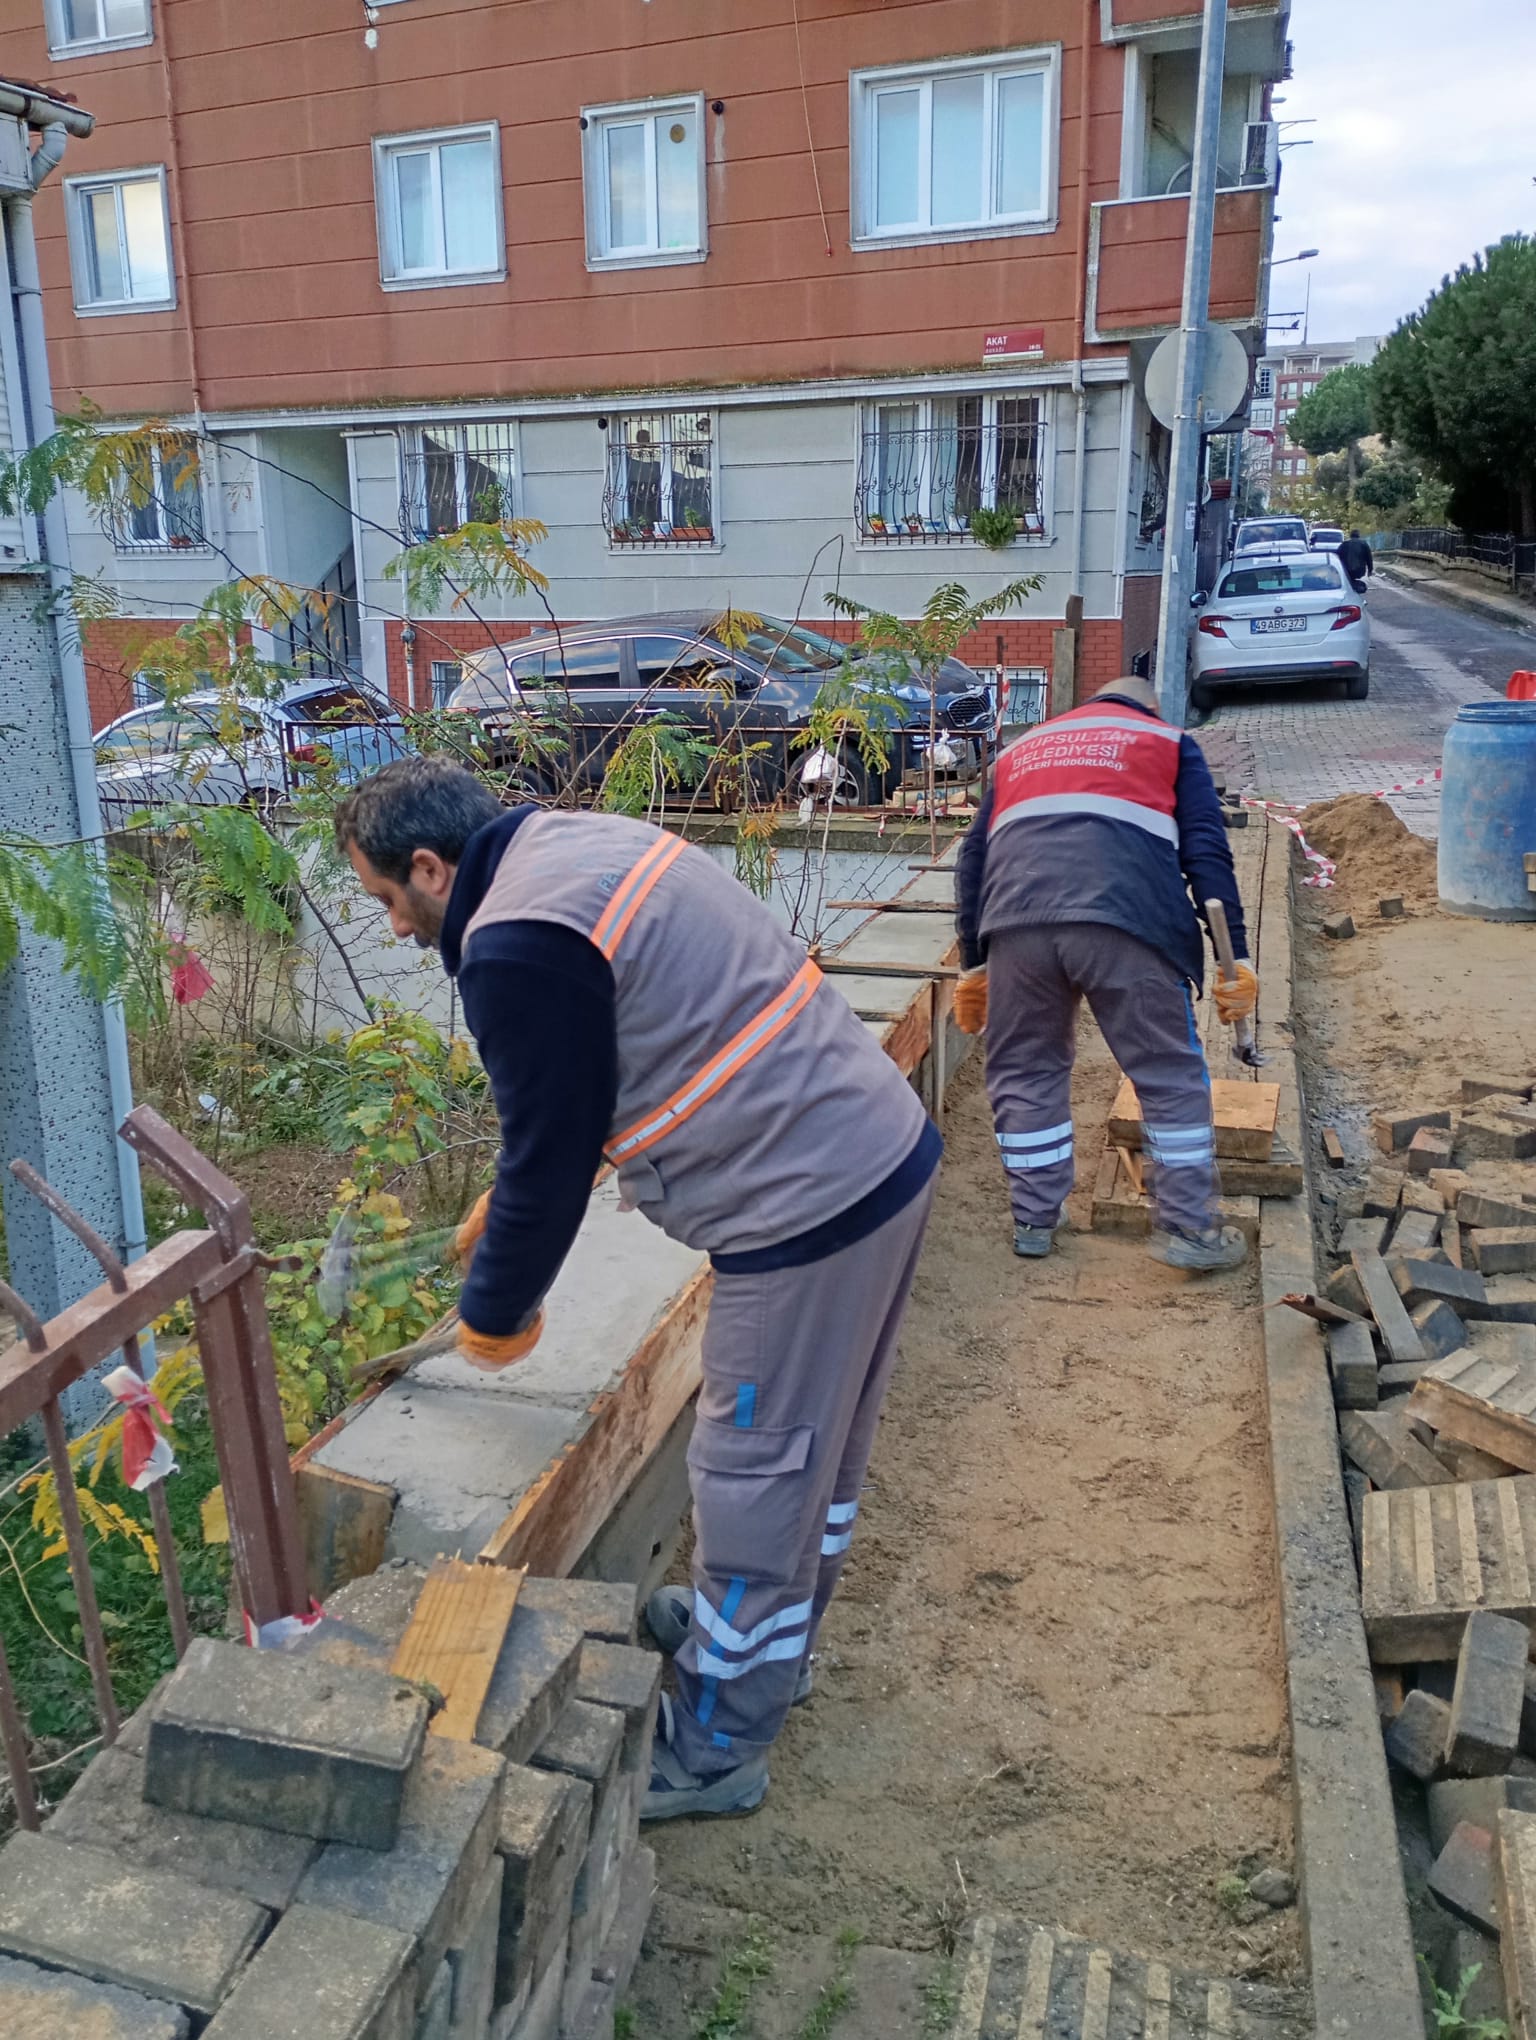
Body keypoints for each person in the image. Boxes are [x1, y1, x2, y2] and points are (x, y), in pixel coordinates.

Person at [334, 759, 941, 1822]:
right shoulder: (578, 848)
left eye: (387, 898)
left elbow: (550, 1156)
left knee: (754, 1477)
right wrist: (522, 1184)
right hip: (873, 1155)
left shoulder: (511, 942)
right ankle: (765, 1653)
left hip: (802, 1215)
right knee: (816, 1457)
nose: (393, 927)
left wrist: (494, 1313)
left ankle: (716, 1746)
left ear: (430, 868)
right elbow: (618, 1057)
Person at [952, 674, 1256, 1271]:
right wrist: (1236, 957)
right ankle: (1189, 1229)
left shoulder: (1020, 751)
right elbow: (1206, 850)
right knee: (1167, 1074)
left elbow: (973, 860)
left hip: (1017, 924)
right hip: (1128, 921)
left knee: (1025, 1068)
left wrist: (975, 963)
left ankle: (1034, 1219)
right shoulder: (1167, 742)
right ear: (1152, 706)